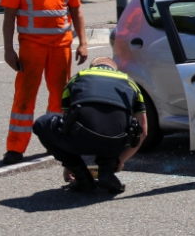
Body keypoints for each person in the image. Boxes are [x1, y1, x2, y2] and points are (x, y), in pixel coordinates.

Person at [0, 0, 87, 165]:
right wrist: (9, 50)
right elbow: (9, 18)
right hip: (31, 48)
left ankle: (56, 140)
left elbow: (76, 12)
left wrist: (83, 42)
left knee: (60, 97)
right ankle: (15, 148)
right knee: (24, 97)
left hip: (61, 47)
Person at [32, 57, 147, 194]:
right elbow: (143, 131)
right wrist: (120, 160)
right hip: (115, 143)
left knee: (42, 123)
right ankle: (107, 172)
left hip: (81, 138)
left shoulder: (77, 78)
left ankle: (82, 177)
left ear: (93, 67)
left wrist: (70, 162)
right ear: (115, 69)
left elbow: (66, 122)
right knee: (119, 124)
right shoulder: (130, 83)